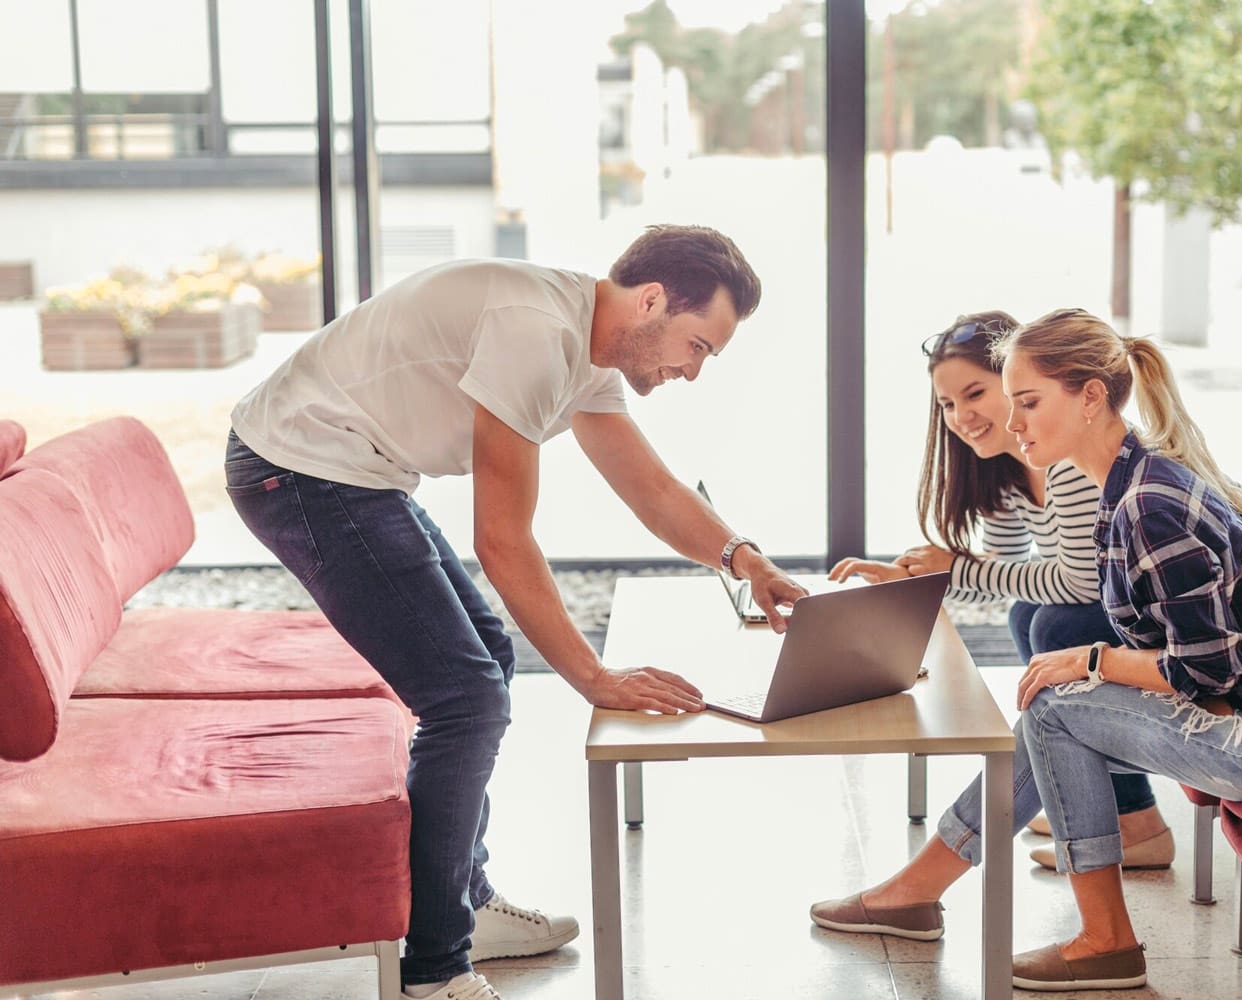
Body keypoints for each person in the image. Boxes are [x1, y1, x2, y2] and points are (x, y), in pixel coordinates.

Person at [225, 225, 808, 1000]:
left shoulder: (589, 346)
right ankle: (434, 968)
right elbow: (501, 540)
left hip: (356, 473)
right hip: (295, 469)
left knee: (487, 662)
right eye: (697, 346)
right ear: (654, 300)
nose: (692, 373)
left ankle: (465, 902)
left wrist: (745, 558)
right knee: (465, 698)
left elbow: (653, 491)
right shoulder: (534, 332)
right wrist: (594, 676)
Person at [811, 308, 1242, 992]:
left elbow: (1205, 667)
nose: (1012, 418)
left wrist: (1094, 663)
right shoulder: (1131, 481)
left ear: (1091, 397)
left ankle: (1099, 938)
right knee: (1052, 703)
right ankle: (924, 892)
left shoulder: (1146, 505)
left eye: (1026, 402)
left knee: (1056, 701)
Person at [829, 311, 1175, 871]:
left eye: (976, 394)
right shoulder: (1009, 469)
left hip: (1170, 623)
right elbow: (1001, 576)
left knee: (1052, 625)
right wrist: (919, 582)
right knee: (1029, 616)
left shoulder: (1067, 461)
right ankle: (1121, 810)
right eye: (946, 405)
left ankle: (1132, 819)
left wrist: (956, 570)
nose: (962, 417)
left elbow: (1080, 581)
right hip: (1120, 609)